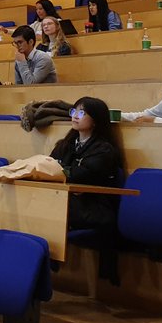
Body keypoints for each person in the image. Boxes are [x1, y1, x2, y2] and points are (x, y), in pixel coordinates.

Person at [49, 97, 123, 230]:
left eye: (82, 113)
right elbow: (48, 165)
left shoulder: (104, 150)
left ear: (96, 120)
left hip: (92, 207)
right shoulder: (64, 144)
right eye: (74, 112)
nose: (75, 116)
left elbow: (79, 175)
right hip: (69, 200)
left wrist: (58, 171)